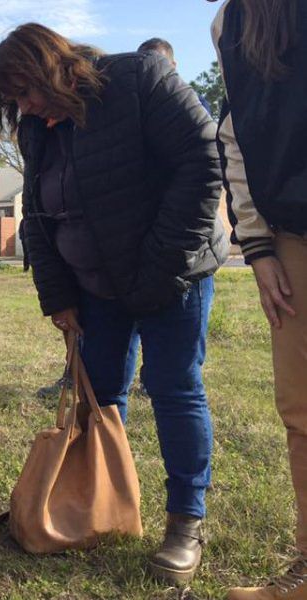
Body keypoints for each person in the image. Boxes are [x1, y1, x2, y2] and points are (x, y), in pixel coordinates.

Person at [0, 23, 228, 585]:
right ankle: (97, 504)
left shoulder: (140, 79)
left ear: (51, 65)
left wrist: (156, 270)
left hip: (174, 278)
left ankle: (185, 523)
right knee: (100, 397)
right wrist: (60, 298)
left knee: (174, 389)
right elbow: (41, 222)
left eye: (27, 91)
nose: (25, 108)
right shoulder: (36, 127)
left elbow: (203, 164)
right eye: (15, 101)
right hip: (97, 289)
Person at [208, 1, 307, 598]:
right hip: (291, 238)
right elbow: (236, 130)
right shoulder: (232, 21)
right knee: (301, 410)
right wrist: (259, 244)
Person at [138, 37, 214, 116]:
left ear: (173, 66)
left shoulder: (194, 103)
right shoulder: (130, 103)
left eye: (159, 63)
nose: (150, 69)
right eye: (143, 64)